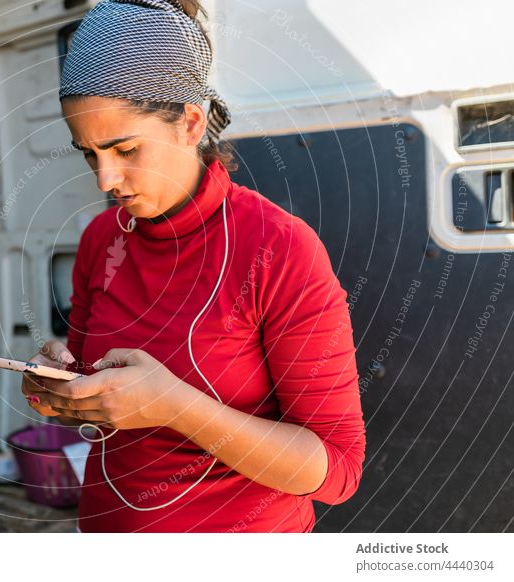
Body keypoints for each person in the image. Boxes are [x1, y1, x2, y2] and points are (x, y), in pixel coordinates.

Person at [20, 0, 365, 533]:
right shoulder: (100, 242)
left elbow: (337, 470)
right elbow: (102, 383)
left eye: (125, 149)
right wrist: (65, 385)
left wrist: (178, 407)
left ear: (190, 123)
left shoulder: (279, 249)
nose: (105, 180)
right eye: (88, 154)